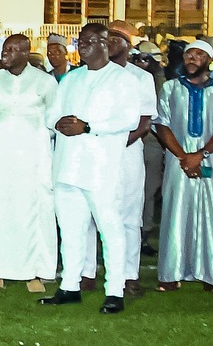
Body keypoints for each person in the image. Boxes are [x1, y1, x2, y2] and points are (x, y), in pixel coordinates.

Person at [40, 23, 148, 314]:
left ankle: (114, 290)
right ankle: (70, 286)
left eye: (90, 41)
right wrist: (59, 123)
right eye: (80, 41)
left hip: (100, 166)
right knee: (72, 228)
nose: (83, 46)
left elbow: (128, 120)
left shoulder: (122, 80)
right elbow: (52, 114)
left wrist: (88, 127)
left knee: (110, 228)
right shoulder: (72, 79)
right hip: (68, 164)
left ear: (105, 43)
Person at [0, 32, 57, 291]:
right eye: (4, 50)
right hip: (1, 155)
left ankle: (36, 274)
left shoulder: (44, 82)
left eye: (11, 50)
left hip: (34, 156)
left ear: (24, 52)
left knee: (33, 210)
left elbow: (54, 119)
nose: (5, 54)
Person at [154, 40, 213, 291]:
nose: (192, 59)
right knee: (176, 211)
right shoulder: (170, 88)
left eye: (198, 55)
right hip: (177, 159)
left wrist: (200, 154)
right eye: (189, 55)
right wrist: (183, 156)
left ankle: (212, 274)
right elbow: (162, 124)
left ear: (209, 60)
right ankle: (171, 273)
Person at [107, 21, 161, 273]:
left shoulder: (141, 77)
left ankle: (129, 275)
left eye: (115, 38)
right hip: (96, 153)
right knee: (91, 215)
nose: (108, 42)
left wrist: (116, 141)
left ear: (128, 45)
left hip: (128, 152)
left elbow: (145, 121)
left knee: (129, 215)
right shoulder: (89, 73)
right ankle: (86, 273)